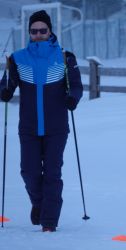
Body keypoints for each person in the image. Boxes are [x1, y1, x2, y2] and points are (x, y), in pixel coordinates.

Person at [0, 10, 83, 232]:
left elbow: (75, 86)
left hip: (57, 127)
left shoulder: (65, 57)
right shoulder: (17, 58)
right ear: (29, 32)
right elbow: (6, 84)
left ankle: (49, 222)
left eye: (42, 30)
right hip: (28, 127)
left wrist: (72, 98)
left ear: (50, 31)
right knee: (29, 171)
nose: (38, 34)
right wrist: (5, 92)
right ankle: (40, 204)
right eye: (34, 31)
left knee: (53, 173)